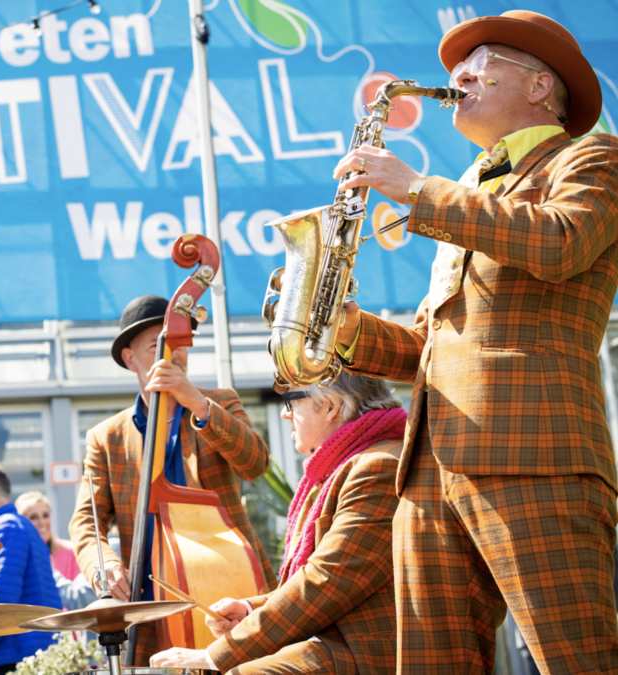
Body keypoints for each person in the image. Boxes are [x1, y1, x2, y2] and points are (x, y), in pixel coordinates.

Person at [327, 10, 618, 673]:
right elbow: (429, 347)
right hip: (430, 474)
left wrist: (415, 189)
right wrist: (340, 328)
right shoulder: (465, 193)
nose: (456, 76)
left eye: (481, 63)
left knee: (578, 662)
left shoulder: (595, 156)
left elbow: (560, 242)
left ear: (541, 85)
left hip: (535, 457)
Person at [69, 294, 277, 665]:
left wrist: (197, 403)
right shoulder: (106, 436)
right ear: (130, 359)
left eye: (178, 344)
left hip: (228, 589)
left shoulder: (219, 402)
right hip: (150, 602)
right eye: (156, 346)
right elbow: (86, 522)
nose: (172, 355)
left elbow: (256, 464)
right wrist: (104, 564)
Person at [150, 374, 404, 673]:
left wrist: (215, 656)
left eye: (290, 400)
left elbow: (327, 582)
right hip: (331, 642)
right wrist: (250, 609)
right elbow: (314, 583)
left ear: (331, 406)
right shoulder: (340, 465)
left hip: (365, 653)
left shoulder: (378, 466)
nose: (285, 413)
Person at [0, 461, 61, 675]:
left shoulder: (5, 527)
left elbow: (1, 600)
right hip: (25, 654)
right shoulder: (15, 526)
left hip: (14, 658)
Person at [15, 492, 80, 580]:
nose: (42, 523)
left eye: (45, 515)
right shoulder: (16, 555)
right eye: (34, 517)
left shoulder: (72, 551)